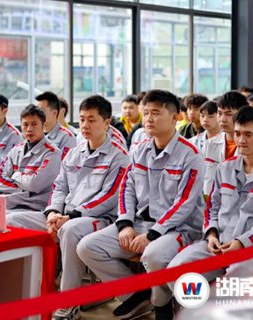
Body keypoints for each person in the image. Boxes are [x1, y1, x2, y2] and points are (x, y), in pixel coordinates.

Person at [78, 90, 204, 320]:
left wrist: (153, 234)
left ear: (175, 117)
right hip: (139, 224)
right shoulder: (139, 150)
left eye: (155, 113)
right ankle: (137, 292)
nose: (148, 119)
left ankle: (161, 305)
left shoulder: (191, 155)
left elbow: (184, 203)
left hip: (177, 229)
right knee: (88, 247)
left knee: (153, 255)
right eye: (145, 113)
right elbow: (126, 189)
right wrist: (125, 224)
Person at [7, 95, 130, 320]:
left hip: (99, 218)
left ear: (107, 122)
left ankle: (67, 302)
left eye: (91, 120)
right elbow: (59, 187)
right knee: (12, 220)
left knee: (70, 230)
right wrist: (52, 212)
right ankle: (23, 289)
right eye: (82, 119)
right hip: (64, 215)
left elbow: (109, 198)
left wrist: (71, 216)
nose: (85, 125)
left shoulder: (119, 157)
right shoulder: (74, 153)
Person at [167, 106, 253, 285]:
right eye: (237, 134)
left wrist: (242, 242)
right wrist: (211, 234)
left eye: (248, 135)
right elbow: (212, 207)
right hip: (218, 243)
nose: (241, 140)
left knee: (235, 284)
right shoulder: (225, 168)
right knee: (175, 271)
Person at [0, 104, 61, 212]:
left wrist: (15, 175)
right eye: (25, 124)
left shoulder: (52, 153)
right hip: (11, 204)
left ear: (44, 125)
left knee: (7, 220)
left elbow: (35, 184)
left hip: (34, 208)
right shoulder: (15, 150)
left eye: (34, 124)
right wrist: (23, 190)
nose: (29, 129)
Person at [36, 91, 77, 159]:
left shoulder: (67, 137)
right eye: (36, 111)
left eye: (42, 111)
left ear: (54, 113)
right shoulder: (35, 133)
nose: (37, 115)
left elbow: (65, 163)